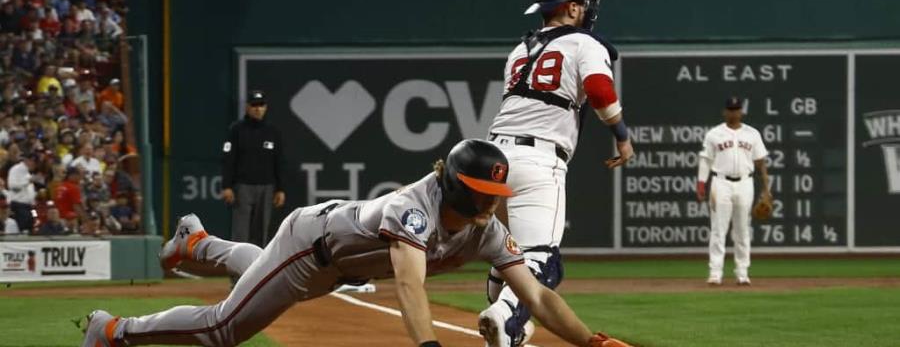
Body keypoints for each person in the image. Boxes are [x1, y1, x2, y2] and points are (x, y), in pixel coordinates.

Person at [81, 139, 630, 347]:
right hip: (308, 247)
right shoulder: (411, 210)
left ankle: (198, 242)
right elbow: (410, 289)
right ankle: (114, 330)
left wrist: (590, 342)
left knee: (258, 273)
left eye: (496, 194)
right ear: (458, 186)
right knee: (226, 327)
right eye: (485, 193)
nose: (494, 203)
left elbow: (536, 296)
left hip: (337, 266)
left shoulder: (485, 228)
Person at [479, 0, 634, 347]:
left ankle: (511, 327)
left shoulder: (521, 49)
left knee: (508, 252)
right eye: (584, 5)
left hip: (492, 157)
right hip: (537, 161)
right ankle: (502, 315)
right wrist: (622, 137)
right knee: (541, 260)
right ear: (573, 8)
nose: (588, 11)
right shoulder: (584, 43)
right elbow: (599, 90)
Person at [696, 97, 771, 285]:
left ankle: (742, 272)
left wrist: (766, 188)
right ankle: (715, 272)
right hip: (720, 183)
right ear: (725, 112)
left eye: (736, 109)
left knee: (742, 229)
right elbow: (705, 160)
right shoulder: (715, 134)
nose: (733, 112)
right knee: (718, 229)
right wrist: (701, 184)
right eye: (730, 109)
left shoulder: (752, 134)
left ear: (741, 112)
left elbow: (760, 162)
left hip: (746, 182)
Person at [220, 90, 286, 247]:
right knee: (240, 232)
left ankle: (259, 269)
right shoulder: (236, 130)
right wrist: (227, 186)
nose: (258, 109)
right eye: (254, 105)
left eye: (261, 105)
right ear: (247, 107)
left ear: (266, 107)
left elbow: (278, 161)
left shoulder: (272, 132)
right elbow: (228, 159)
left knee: (261, 232)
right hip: (243, 186)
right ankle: (238, 269)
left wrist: (280, 189)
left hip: (266, 186)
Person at [6, 152, 39, 233]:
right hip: (19, 206)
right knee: (22, 228)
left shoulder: (27, 173)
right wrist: (28, 182)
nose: (34, 164)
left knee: (32, 226)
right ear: (26, 160)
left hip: (30, 207)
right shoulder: (16, 169)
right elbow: (12, 186)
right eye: (33, 161)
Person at [54, 166, 84, 230]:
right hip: (70, 220)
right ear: (73, 175)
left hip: (59, 219)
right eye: (78, 175)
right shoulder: (73, 187)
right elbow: (77, 206)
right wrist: (86, 220)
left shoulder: (60, 186)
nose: (80, 178)